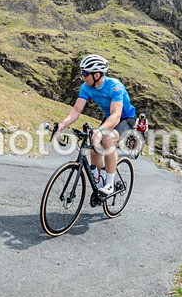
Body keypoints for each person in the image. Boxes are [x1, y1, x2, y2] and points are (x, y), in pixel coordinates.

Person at [55, 54, 136, 197]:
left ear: (97, 74)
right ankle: (103, 177)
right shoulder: (86, 87)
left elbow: (116, 115)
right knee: (93, 152)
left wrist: (100, 131)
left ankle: (110, 184)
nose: (83, 76)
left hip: (125, 118)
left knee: (107, 139)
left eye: (85, 73)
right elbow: (76, 110)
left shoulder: (115, 87)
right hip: (109, 117)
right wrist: (63, 124)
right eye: (82, 72)